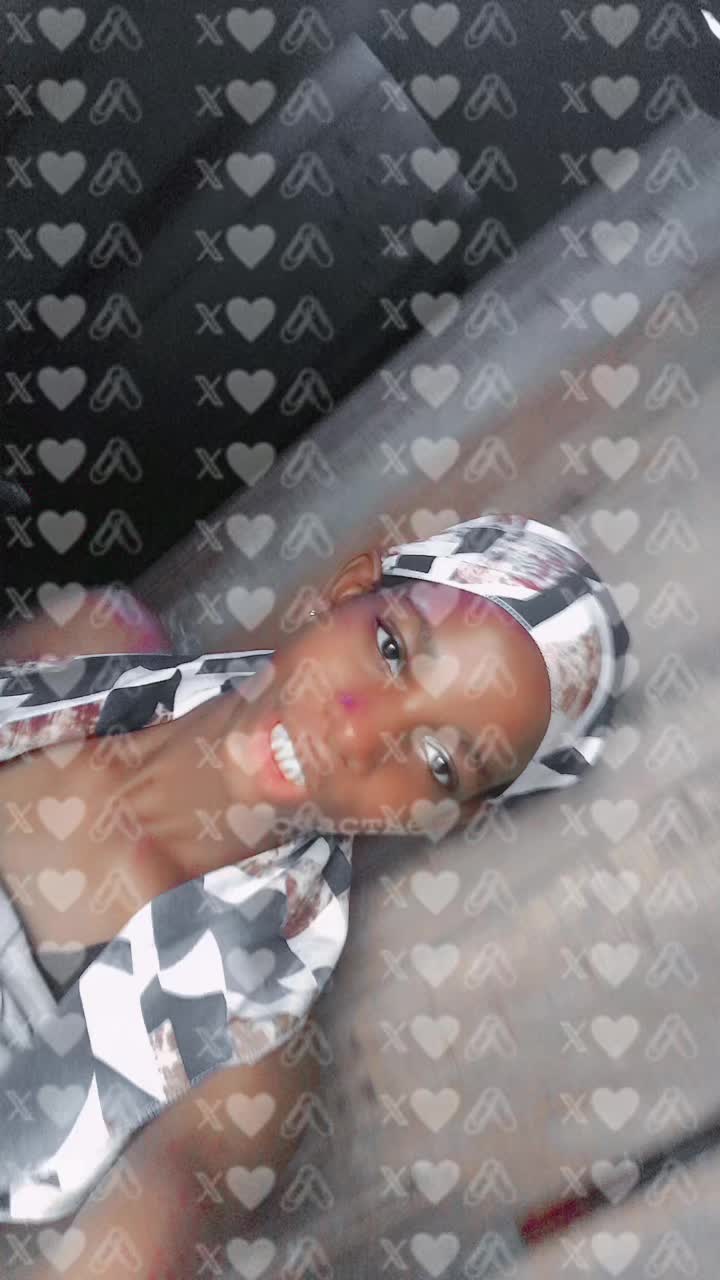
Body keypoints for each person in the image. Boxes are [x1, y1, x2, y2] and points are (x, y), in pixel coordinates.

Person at [0, 513, 630, 1248]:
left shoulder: (239, 1068)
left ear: (446, 815)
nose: (355, 733)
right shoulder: (86, 644)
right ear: (352, 586)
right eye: (391, 649)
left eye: (438, 762)